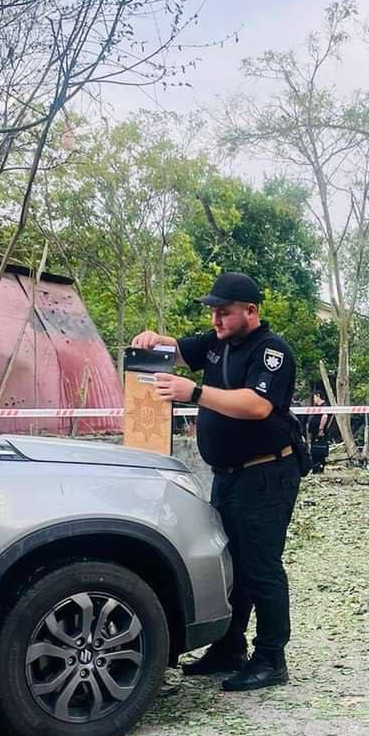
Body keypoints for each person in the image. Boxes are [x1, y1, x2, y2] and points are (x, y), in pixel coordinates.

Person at [131, 272, 300, 692]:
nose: (216, 319)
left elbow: (257, 405)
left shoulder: (271, 352)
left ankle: (271, 658)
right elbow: (176, 349)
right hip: (228, 476)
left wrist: (195, 393)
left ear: (251, 311)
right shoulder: (214, 343)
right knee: (232, 566)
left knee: (261, 568)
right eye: (212, 311)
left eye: (223, 311)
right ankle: (229, 648)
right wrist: (154, 339)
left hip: (266, 473)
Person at [306, 389, 330, 474]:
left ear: (318, 396)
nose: (314, 399)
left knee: (319, 449)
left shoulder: (324, 406)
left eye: (315, 397)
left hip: (319, 432)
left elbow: (325, 417)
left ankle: (319, 467)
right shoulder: (316, 407)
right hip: (314, 431)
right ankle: (315, 468)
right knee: (314, 449)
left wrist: (321, 429)